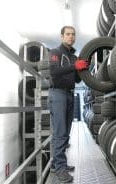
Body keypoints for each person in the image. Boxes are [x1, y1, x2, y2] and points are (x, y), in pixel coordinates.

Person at [48, 25, 89, 183]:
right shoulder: (55, 52)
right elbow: (54, 72)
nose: (71, 37)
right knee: (60, 133)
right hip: (58, 94)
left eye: (73, 34)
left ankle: (57, 164)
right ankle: (60, 169)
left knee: (65, 133)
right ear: (62, 36)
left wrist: (83, 69)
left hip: (70, 94)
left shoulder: (73, 57)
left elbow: (76, 80)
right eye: (68, 34)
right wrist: (74, 66)